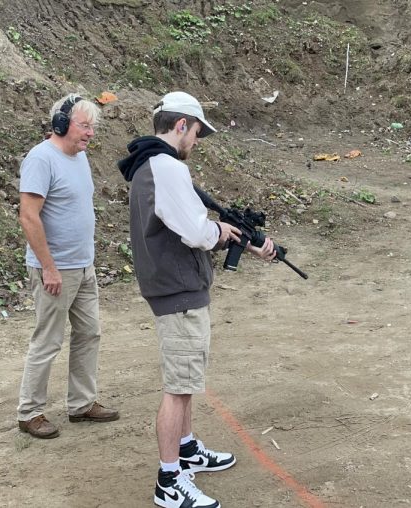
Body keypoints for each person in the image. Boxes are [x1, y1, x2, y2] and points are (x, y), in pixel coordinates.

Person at [118, 91, 276, 508]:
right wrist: (219, 233)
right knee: (178, 386)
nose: (197, 141)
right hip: (178, 290)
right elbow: (194, 231)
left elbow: (181, 224)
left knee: (185, 384)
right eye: (197, 132)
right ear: (181, 125)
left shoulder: (148, 165)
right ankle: (170, 479)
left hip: (173, 285)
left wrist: (221, 232)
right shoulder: (167, 167)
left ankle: (186, 449)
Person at [16, 93, 119, 439]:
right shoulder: (41, 159)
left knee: (89, 333)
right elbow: (29, 216)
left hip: (83, 266)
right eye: (85, 125)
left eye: (93, 127)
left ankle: (82, 403)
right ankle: (29, 412)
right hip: (55, 270)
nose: (90, 133)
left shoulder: (80, 158)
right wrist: (48, 267)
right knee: (47, 341)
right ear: (61, 123)